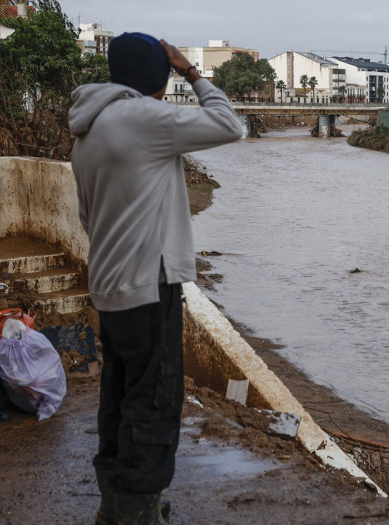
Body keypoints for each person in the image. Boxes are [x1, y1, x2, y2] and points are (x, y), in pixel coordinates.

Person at [69, 33, 244, 525]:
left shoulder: (88, 128)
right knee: (154, 401)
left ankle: (120, 503)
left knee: (120, 396)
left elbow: (88, 217)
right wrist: (192, 71)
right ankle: (137, 513)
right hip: (148, 284)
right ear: (157, 76)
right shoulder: (144, 118)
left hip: (109, 284)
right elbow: (230, 124)